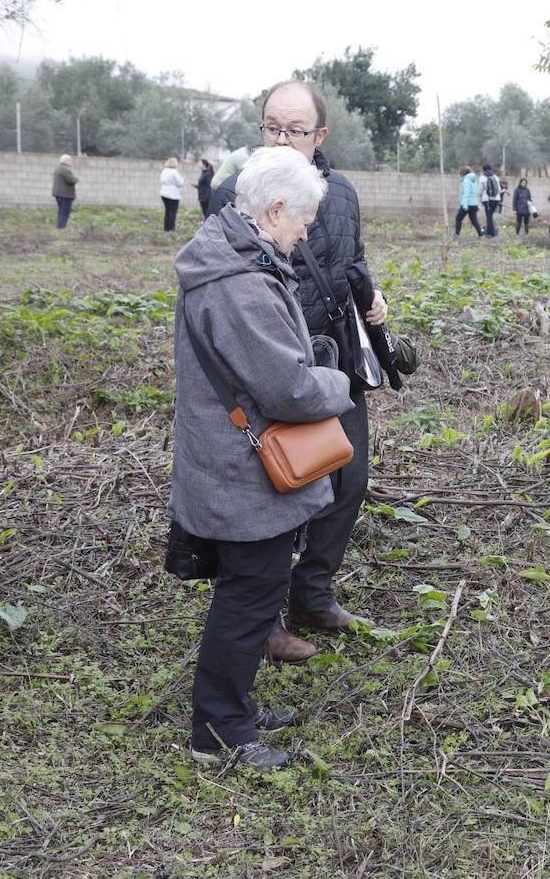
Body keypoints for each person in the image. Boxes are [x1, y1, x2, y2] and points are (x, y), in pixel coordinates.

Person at [171, 145, 355, 769]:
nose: (306, 231)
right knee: (250, 594)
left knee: (250, 589)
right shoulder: (240, 287)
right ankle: (218, 731)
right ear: (274, 210)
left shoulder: (230, 258)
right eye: (302, 218)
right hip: (241, 476)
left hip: (228, 463)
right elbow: (291, 389)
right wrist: (340, 384)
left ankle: (234, 707)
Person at [208, 80, 388, 662]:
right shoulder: (233, 194)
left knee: (347, 476)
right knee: (275, 487)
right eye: (271, 128)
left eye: (294, 130)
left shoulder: (341, 194)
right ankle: (260, 620)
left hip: (333, 357)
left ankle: (312, 594)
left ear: (320, 136)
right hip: (269, 364)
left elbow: (351, 259)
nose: (281, 141)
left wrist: (372, 295)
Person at [455, 165, 483, 236]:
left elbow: (466, 193)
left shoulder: (466, 180)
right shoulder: (473, 180)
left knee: (458, 219)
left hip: (467, 204)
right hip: (474, 204)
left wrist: (465, 205)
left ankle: (456, 234)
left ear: (462, 173)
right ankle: (480, 233)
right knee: (474, 220)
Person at [52, 154, 78, 229]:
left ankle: (59, 226)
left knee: (61, 211)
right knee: (65, 212)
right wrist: (76, 179)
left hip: (59, 194)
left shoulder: (58, 169)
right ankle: (61, 227)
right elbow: (70, 180)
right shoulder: (65, 170)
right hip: (65, 194)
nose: (71, 162)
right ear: (65, 161)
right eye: (70, 160)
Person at [480, 163, 503, 236]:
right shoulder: (495, 177)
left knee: (489, 217)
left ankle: (490, 233)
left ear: (483, 169)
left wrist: (481, 197)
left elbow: (480, 190)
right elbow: (499, 189)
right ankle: (490, 230)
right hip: (496, 199)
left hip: (487, 200)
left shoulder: (482, 178)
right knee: (490, 216)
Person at [160, 157, 183, 231]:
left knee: (167, 211)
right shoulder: (174, 172)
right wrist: (182, 179)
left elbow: (161, 181)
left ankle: (166, 228)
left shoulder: (164, 171)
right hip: (173, 195)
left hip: (164, 194)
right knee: (172, 212)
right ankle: (171, 228)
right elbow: (180, 183)